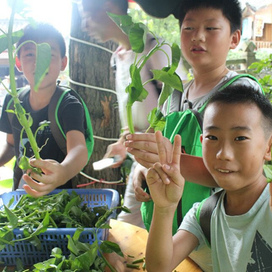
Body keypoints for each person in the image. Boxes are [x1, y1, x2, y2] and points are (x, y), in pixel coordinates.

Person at [124, 0, 264, 232]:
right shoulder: (173, 93)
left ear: (234, 38)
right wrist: (144, 168)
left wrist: (166, 160)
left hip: (215, 236)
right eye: (189, 28)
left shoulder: (241, 93)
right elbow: (155, 145)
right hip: (167, 232)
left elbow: (243, 171)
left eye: (210, 28)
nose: (198, 37)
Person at [80, 0, 187, 228]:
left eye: (88, 15)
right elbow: (136, 114)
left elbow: (183, 107)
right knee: (129, 227)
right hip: (142, 161)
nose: (84, 25)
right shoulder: (117, 58)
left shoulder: (155, 48)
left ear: (110, 6)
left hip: (167, 163)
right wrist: (124, 142)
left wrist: (149, 145)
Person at [144, 84, 272, 272]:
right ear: (202, 143)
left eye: (240, 138)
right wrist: (164, 207)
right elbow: (158, 267)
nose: (223, 154)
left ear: (268, 148)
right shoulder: (205, 214)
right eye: (213, 138)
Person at [0, 23, 88, 197]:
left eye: (48, 54)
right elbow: (11, 145)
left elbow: (78, 148)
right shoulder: (12, 101)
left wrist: (63, 171)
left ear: (63, 62)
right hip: (21, 198)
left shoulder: (68, 103)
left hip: (58, 200)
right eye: (30, 54)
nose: (38, 62)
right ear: (18, 62)